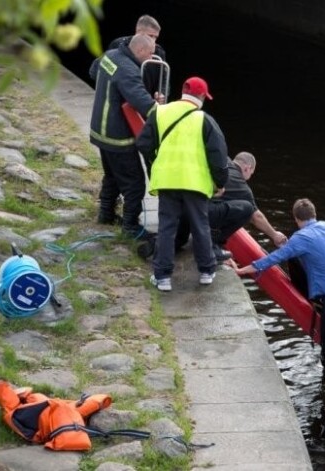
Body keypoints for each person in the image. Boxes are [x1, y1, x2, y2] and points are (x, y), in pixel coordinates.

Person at [235, 198, 325, 401]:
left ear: (296, 218)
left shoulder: (300, 238)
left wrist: (242, 269)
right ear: (314, 213)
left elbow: (271, 259)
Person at [137, 76, 229, 291]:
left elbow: (143, 144)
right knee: (200, 225)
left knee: (167, 227)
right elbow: (218, 154)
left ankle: (163, 277)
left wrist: (157, 161)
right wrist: (220, 182)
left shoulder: (159, 112)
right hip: (194, 182)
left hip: (168, 180)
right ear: (201, 97)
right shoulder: (204, 119)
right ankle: (206, 271)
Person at [90, 33, 160, 239]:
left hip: (100, 132)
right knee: (135, 183)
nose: (151, 58)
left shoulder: (110, 55)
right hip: (117, 136)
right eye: (150, 54)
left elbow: (93, 71)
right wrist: (163, 110)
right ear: (139, 51)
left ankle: (106, 214)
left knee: (111, 175)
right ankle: (130, 227)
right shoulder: (129, 70)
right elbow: (143, 103)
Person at [174, 151, 288, 259]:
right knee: (247, 208)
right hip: (198, 212)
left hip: (180, 206)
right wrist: (274, 235)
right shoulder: (242, 187)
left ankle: (174, 240)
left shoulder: (221, 159)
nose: (249, 178)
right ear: (247, 168)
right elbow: (256, 217)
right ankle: (212, 245)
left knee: (178, 242)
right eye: (251, 174)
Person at [89, 15, 167, 99]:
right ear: (138, 32)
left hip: (144, 102)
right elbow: (100, 70)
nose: (153, 41)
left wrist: (161, 92)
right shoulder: (118, 45)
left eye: (156, 37)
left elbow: (163, 79)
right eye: (150, 36)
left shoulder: (159, 52)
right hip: (119, 100)